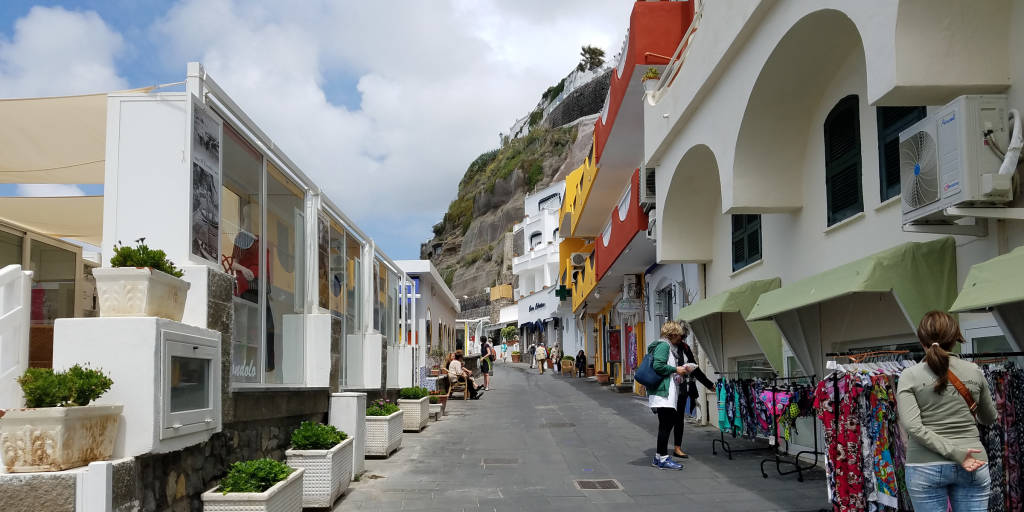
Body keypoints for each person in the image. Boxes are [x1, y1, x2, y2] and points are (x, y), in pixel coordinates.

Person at [897, 311, 997, 512]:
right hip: (973, 460)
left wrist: (954, 452)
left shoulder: (909, 376)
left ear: (921, 338)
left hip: (924, 465)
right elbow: (989, 418)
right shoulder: (974, 372)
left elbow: (913, 427)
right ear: (955, 338)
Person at [647, 321, 697, 470]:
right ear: (673, 334)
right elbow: (659, 366)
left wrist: (677, 372)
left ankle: (658, 457)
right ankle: (662, 459)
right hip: (664, 393)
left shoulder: (665, 345)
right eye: (680, 335)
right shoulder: (664, 345)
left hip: (665, 392)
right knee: (666, 426)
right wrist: (676, 369)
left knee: (665, 425)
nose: (681, 339)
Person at [670, 330, 714, 458]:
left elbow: (695, 368)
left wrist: (709, 384)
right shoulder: (666, 347)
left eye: (683, 337)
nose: (681, 340)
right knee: (667, 420)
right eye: (679, 337)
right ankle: (661, 452)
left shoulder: (685, 348)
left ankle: (677, 447)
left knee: (679, 419)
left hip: (682, 388)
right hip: (668, 389)